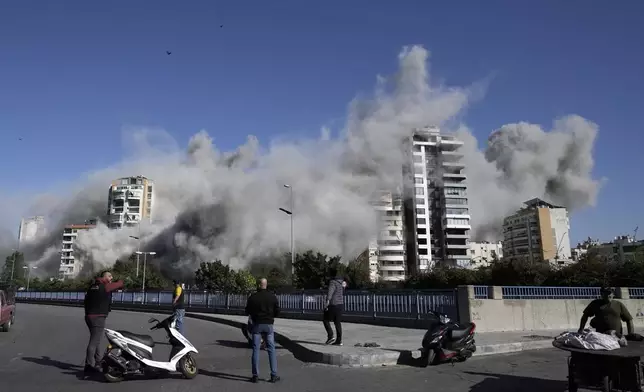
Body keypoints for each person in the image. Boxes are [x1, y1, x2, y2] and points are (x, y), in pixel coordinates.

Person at [83, 271, 124, 374]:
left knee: (96, 340)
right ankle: (89, 365)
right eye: (109, 276)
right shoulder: (105, 286)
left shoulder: (92, 287)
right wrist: (120, 280)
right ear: (104, 277)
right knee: (93, 343)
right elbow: (120, 284)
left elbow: (86, 301)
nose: (111, 278)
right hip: (98, 317)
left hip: (89, 316)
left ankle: (98, 362)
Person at [245, 278, 280, 383]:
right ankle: (273, 375)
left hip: (257, 325)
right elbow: (277, 312)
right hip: (269, 325)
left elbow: (247, 311)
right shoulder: (272, 297)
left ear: (258, 285)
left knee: (256, 349)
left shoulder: (253, 297)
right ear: (266, 285)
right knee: (271, 349)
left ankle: (255, 375)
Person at [323, 269, 345, 346]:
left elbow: (330, 293)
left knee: (325, 319)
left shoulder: (332, 282)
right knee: (337, 322)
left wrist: (327, 302)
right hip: (340, 304)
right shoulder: (341, 282)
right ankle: (339, 341)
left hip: (333, 304)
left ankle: (330, 336)